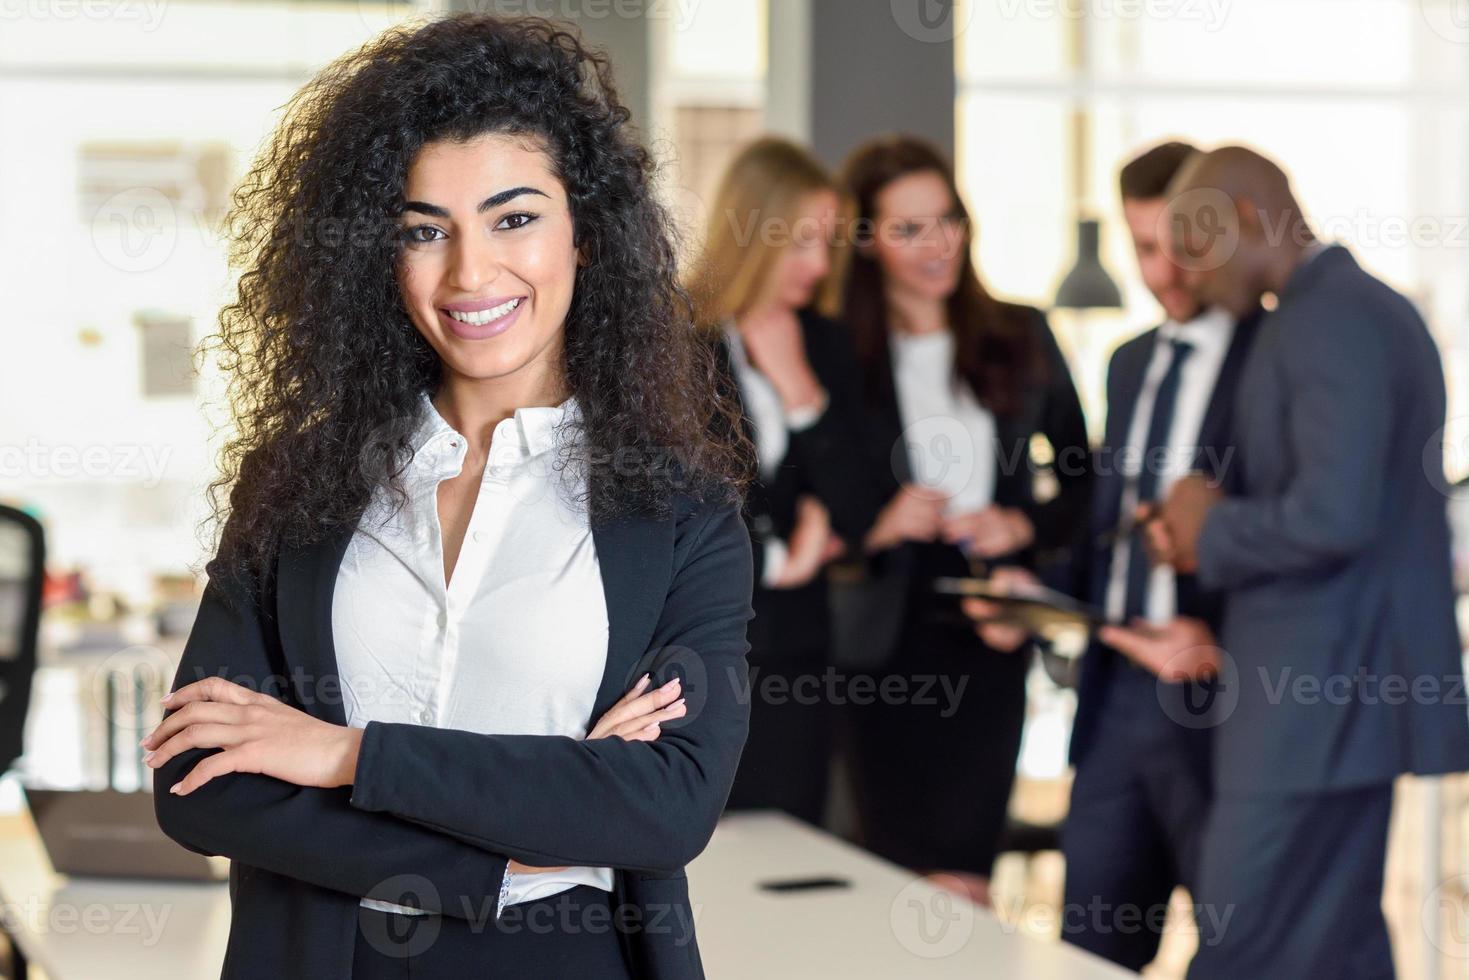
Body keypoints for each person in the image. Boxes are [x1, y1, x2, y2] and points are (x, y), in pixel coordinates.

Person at [142, 15, 755, 980]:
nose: (471, 273)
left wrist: (342, 755)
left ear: (585, 235)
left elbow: (665, 806)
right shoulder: (297, 482)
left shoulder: (680, 514)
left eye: (515, 219)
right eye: (425, 232)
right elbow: (200, 786)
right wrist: (513, 843)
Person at [1108, 145, 1469, 979]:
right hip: (1338, 696)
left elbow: (1332, 516)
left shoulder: (1326, 318)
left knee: (1242, 942)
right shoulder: (1353, 307)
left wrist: (1209, 530)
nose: (1188, 281)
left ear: (1242, 220)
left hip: (1315, 701)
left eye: (1196, 254)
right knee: (1333, 946)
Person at [969, 140, 1262, 969]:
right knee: (1088, 956)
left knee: (1239, 950)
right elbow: (1110, 533)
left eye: (1177, 246)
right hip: (1112, 712)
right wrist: (1035, 589)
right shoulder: (1130, 364)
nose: (1161, 271)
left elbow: (1293, 535)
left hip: (1222, 708)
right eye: (1141, 248)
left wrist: (1227, 643)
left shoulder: (1271, 358)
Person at [836, 135, 1091, 905]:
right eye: (907, 229)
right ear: (867, 242)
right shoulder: (840, 353)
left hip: (988, 629)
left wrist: (1022, 533)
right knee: (892, 873)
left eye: (945, 219)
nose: (936, 243)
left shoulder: (1018, 332)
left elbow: (1082, 478)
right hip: (880, 640)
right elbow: (806, 492)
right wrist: (879, 519)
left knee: (966, 874)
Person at [687, 137, 878, 826]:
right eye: (800, 242)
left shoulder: (823, 343)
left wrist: (800, 390)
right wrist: (779, 556)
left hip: (797, 654)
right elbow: (671, 506)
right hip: (698, 655)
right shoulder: (673, 340)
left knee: (790, 851)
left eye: (826, 243)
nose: (818, 265)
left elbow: (859, 506)